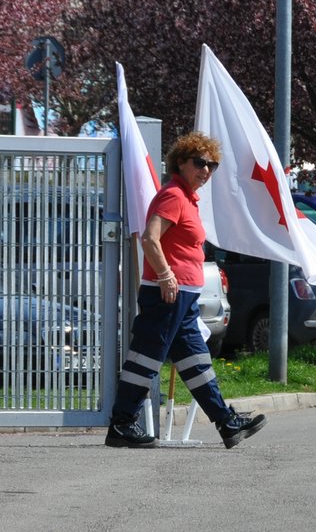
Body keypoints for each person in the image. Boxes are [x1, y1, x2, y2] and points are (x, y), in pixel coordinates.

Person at [107, 133, 267, 450]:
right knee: (147, 359)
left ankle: (226, 424)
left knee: (196, 362)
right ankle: (122, 424)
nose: (206, 170)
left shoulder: (188, 198)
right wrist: (166, 276)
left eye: (212, 165)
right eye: (200, 163)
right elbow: (150, 239)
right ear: (181, 162)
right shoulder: (174, 196)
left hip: (185, 298)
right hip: (167, 294)